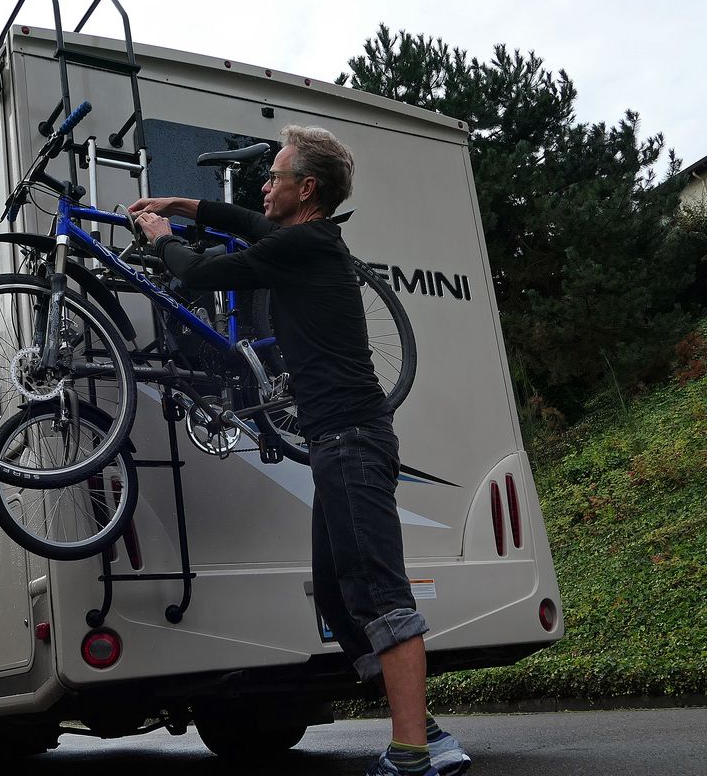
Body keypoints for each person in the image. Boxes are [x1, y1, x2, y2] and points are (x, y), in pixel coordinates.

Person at [130, 126, 470, 776]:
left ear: (305, 189)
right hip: (335, 444)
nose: (266, 186)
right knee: (341, 601)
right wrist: (181, 203)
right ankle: (424, 732)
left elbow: (200, 271)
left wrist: (163, 238)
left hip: (352, 440)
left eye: (276, 176)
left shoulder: (305, 246)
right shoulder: (304, 242)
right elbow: (247, 222)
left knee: (377, 592)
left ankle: (411, 756)